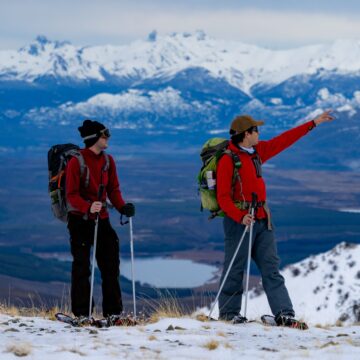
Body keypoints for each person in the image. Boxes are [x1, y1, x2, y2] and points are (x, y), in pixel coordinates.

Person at [216, 111, 334, 326]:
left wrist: (313, 123)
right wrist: (240, 216)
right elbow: (222, 197)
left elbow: (284, 140)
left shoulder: (257, 152)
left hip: (262, 219)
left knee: (271, 269)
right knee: (235, 268)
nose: (259, 133)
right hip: (239, 222)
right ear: (246, 134)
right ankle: (228, 314)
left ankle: (284, 314)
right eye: (256, 130)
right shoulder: (228, 159)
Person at [66, 119, 135, 320]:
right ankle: (82, 313)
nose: (108, 138)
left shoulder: (108, 161)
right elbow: (71, 195)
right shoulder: (75, 162)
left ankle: (113, 313)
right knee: (82, 267)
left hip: (101, 219)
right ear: (95, 138)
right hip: (80, 220)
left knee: (110, 266)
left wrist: (122, 207)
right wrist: (88, 206)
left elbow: (113, 189)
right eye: (105, 135)